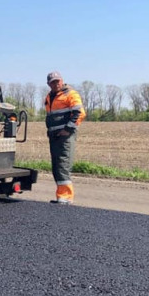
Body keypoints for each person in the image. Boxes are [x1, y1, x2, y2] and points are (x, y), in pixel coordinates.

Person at [44, 71, 86, 204]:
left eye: (57, 81)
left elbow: (79, 113)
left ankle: (66, 197)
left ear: (62, 81)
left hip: (65, 137)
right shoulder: (49, 96)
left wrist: (67, 130)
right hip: (54, 136)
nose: (56, 84)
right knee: (56, 166)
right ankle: (61, 195)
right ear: (48, 84)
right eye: (53, 82)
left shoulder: (70, 94)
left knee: (63, 164)